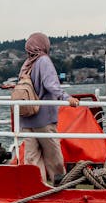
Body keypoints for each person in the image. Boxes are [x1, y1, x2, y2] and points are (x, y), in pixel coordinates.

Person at [19, 32, 80, 185]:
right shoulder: (44, 61)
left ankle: (36, 185)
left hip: (26, 116)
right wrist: (67, 98)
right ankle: (59, 183)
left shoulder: (26, 64)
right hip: (43, 117)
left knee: (32, 156)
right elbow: (51, 84)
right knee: (52, 154)